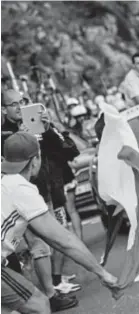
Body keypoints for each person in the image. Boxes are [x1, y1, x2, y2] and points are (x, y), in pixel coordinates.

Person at [1, 132, 117, 314]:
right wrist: (102, 273)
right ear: (35, 159)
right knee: (39, 305)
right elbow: (62, 240)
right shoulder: (21, 188)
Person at [1, 89, 78, 311]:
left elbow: (69, 151)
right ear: (3, 109)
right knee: (37, 247)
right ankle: (48, 295)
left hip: (44, 192)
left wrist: (49, 128)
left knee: (53, 242)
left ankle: (49, 288)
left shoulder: (39, 125)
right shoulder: (3, 133)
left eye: (23, 101)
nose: (19, 107)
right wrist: (19, 138)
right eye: (13, 104)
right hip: (15, 200)